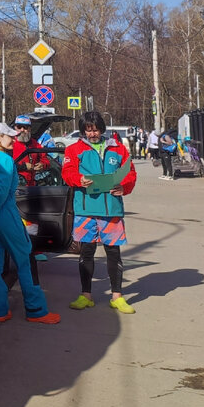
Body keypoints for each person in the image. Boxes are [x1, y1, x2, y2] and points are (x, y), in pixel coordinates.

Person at [0, 123, 61, 324]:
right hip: (3, 213)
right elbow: (2, 191)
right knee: (24, 258)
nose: (14, 139)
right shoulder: (6, 161)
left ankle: (0, 310)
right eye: (10, 136)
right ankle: (36, 310)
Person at [62, 110, 137, 313]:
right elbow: (67, 173)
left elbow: (130, 172)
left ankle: (117, 297)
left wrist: (124, 187)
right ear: (83, 131)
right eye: (88, 130)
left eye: (95, 130)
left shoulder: (118, 148)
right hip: (85, 210)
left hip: (112, 209)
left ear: (101, 129)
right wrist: (79, 180)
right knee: (86, 252)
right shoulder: (74, 150)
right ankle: (86, 295)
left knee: (113, 252)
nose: (92, 134)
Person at [11, 115, 48, 186]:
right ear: (15, 128)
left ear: (30, 129)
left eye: (25, 127)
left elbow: (45, 160)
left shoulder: (35, 144)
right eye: (19, 127)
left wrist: (42, 165)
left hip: (33, 186)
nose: (22, 130)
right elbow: (4, 165)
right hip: (15, 186)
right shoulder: (10, 144)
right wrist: (23, 166)